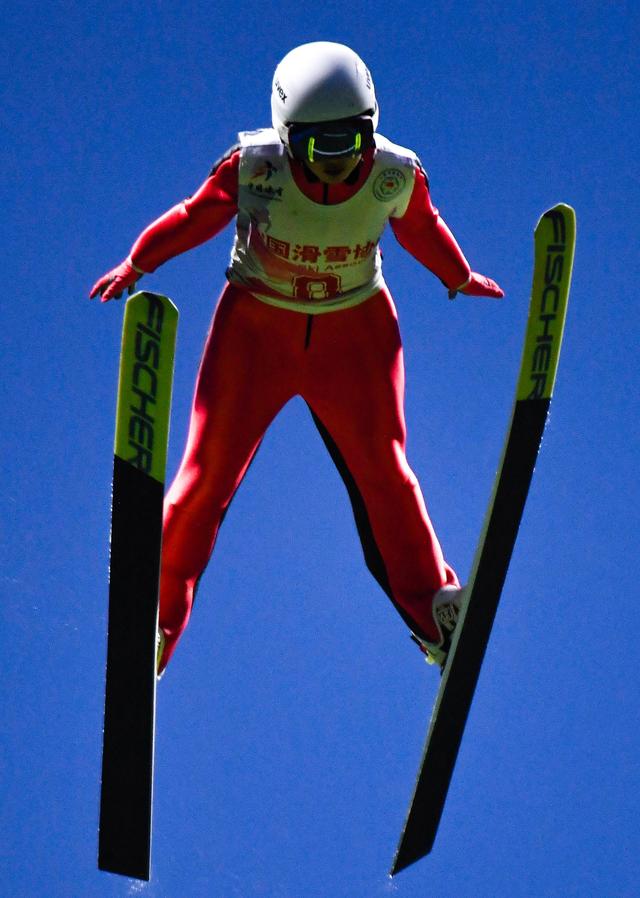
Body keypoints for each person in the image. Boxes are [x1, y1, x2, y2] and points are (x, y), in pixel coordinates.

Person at [91, 41, 504, 674]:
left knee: (386, 472)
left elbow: (421, 226)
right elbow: (196, 216)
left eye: (351, 142)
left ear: (372, 126)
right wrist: (139, 261)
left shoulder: (395, 173)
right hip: (256, 332)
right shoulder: (254, 167)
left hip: (354, 333)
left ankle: (434, 613)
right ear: (287, 137)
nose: (338, 163)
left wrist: (458, 274)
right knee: (204, 477)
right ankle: (156, 620)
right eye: (319, 147)